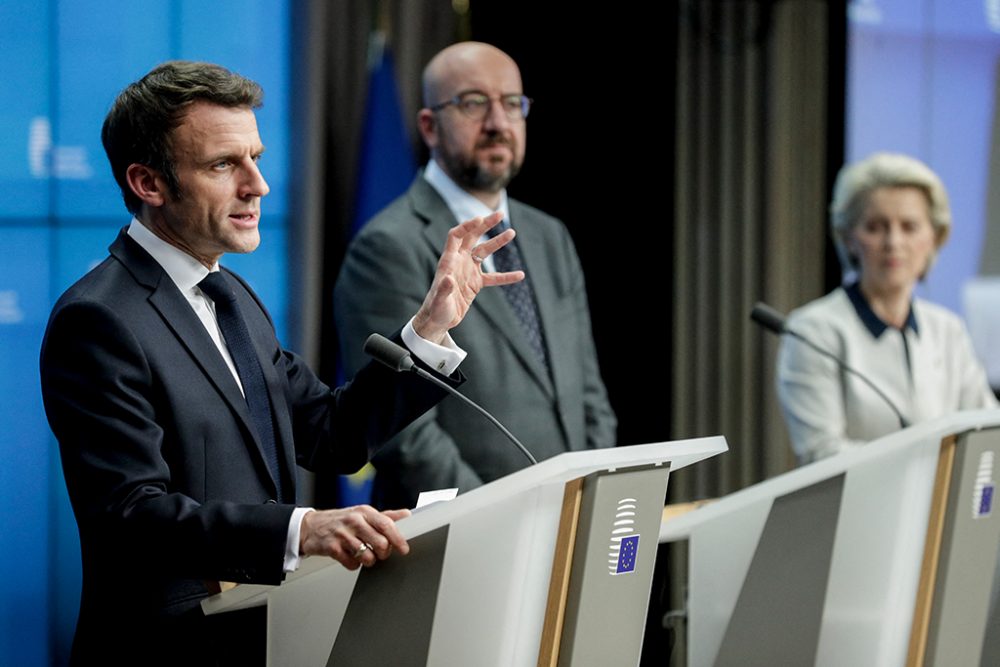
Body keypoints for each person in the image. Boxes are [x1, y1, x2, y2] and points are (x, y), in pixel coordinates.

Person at [39, 61, 523, 666]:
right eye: (223, 164)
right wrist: (302, 530)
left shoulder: (234, 297)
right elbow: (132, 517)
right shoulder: (98, 320)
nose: (258, 185)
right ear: (148, 182)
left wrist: (429, 328)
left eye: (256, 158)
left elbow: (333, 437)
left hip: (268, 639)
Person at [334, 42, 617, 509]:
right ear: (429, 126)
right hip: (463, 540)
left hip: (570, 523)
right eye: (473, 103)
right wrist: (493, 519)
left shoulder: (550, 236)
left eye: (511, 104)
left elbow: (589, 394)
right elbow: (402, 433)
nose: (498, 123)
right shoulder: (387, 245)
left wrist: (594, 495)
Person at [777, 152, 998, 465]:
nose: (893, 242)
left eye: (909, 227)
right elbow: (821, 453)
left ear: (934, 238)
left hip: (942, 508)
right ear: (849, 237)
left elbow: (986, 429)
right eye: (876, 227)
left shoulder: (947, 329)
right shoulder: (813, 331)